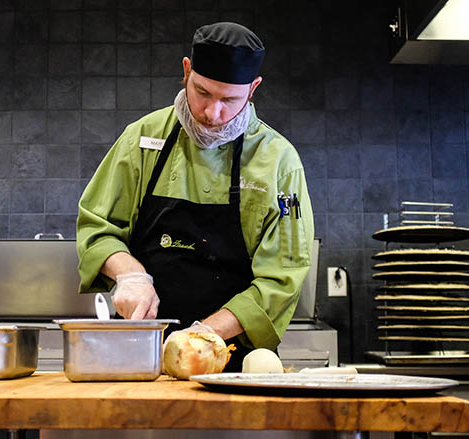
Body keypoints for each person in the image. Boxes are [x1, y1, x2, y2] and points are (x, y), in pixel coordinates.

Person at [76, 22, 314, 371]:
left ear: (253, 89)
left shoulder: (279, 161)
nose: (212, 114)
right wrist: (130, 275)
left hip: (231, 359)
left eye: (229, 99)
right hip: (140, 350)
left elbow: (282, 277)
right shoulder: (141, 139)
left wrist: (201, 335)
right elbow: (97, 227)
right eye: (202, 92)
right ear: (186, 70)